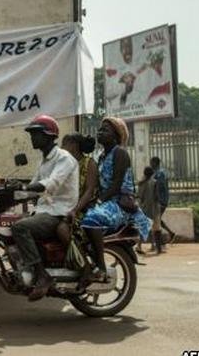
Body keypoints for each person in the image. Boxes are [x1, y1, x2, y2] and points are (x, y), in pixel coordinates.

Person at [11, 115, 79, 301]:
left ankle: (42, 275)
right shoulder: (44, 161)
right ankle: (26, 267)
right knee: (7, 225)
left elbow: (52, 183)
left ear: (49, 136)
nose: (32, 138)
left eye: (36, 134)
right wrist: (9, 191)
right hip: (44, 210)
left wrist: (25, 188)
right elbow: (33, 186)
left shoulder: (64, 158)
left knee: (20, 227)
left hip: (58, 213)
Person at [81, 117, 152, 282]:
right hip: (107, 201)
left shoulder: (120, 153)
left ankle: (101, 266)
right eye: (100, 129)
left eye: (105, 130)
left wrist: (98, 201)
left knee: (91, 219)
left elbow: (116, 184)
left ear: (116, 136)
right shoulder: (101, 155)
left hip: (119, 203)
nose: (100, 132)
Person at [56, 134, 99, 245]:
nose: (61, 148)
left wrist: (74, 210)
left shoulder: (89, 163)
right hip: (66, 208)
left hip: (83, 210)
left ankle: (77, 258)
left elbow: (89, 192)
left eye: (64, 144)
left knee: (62, 230)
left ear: (74, 146)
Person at [151, 156, 177, 246]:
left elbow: (160, 186)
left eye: (152, 162)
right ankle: (170, 234)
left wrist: (156, 197)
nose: (150, 164)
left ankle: (160, 241)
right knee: (157, 220)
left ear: (155, 163)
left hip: (161, 200)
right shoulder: (157, 172)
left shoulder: (160, 173)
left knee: (155, 220)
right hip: (160, 200)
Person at [137, 166, 160, 254]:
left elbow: (139, 196)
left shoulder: (141, 183)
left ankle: (140, 245)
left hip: (143, 208)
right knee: (154, 228)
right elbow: (157, 196)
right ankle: (154, 245)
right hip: (153, 208)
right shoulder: (154, 182)